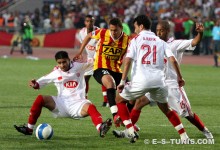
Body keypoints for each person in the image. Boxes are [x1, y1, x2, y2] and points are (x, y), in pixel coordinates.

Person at [113, 20, 213, 140]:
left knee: (187, 114)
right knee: (139, 103)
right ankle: (129, 131)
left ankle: (204, 130)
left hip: (172, 85)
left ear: (167, 31)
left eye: (162, 30)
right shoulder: (156, 42)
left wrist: (200, 34)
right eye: (157, 30)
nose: (159, 33)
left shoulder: (175, 44)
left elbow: (194, 41)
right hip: (158, 82)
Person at [14, 51, 112, 138]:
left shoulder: (79, 66)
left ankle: (101, 127)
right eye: (59, 63)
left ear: (69, 60)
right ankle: (29, 129)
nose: (62, 65)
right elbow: (40, 83)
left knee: (91, 107)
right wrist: (35, 84)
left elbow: (96, 63)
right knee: (40, 98)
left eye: (64, 62)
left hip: (78, 104)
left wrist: (105, 57)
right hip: (61, 104)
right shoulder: (56, 72)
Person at [74, 18, 130, 123]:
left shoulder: (128, 40)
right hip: (100, 67)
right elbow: (89, 35)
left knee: (132, 93)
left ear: (121, 28)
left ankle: (127, 121)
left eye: (115, 30)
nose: (113, 32)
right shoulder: (103, 33)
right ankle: (115, 114)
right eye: (111, 30)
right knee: (110, 82)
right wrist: (80, 51)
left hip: (117, 69)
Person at [77, 14, 108, 106]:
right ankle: (85, 100)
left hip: (99, 58)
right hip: (90, 59)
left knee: (103, 78)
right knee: (85, 78)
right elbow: (84, 44)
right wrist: (81, 54)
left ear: (94, 22)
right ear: (85, 22)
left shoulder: (99, 32)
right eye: (87, 21)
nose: (89, 23)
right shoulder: (81, 32)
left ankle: (106, 101)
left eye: (91, 21)